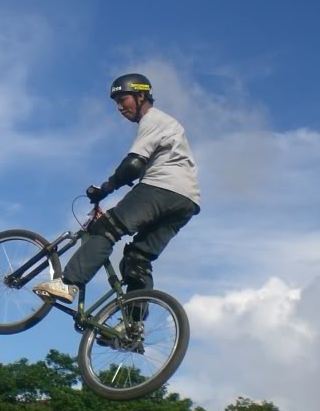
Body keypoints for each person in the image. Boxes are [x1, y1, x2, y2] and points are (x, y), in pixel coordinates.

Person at [33, 73, 200, 304]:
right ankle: (133, 330)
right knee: (137, 259)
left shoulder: (152, 120)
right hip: (187, 201)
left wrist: (105, 189)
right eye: (116, 103)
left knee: (106, 229)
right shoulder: (167, 125)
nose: (120, 107)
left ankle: (68, 284)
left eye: (123, 100)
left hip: (162, 187)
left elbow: (133, 165)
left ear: (141, 96)